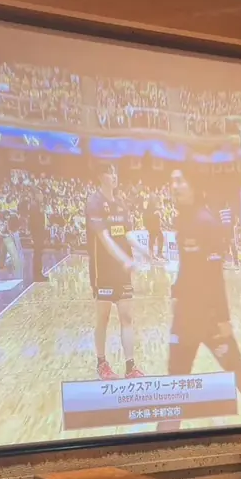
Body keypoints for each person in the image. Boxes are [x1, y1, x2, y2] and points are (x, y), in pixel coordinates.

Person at [159, 167, 241, 429]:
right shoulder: (182, 220)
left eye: (180, 180)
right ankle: (165, 437)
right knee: (175, 376)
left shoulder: (206, 222)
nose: (174, 186)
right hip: (185, 317)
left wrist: (223, 319)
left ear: (193, 184)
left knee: (233, 365)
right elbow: (187, 266)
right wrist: (176, 291)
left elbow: (214, 275)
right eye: (172, 181)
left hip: (210, 317)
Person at [86, 162, 143, 380]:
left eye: (115, 172)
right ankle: (101, 363)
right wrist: (125, 259)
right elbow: (104, 238)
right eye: (110, 173)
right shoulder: (94, 203)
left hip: (122, 272)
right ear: (100, 176)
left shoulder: (121, 203)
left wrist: (143, 250)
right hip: (102, 271)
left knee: (126, 316)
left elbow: (127, 234)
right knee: (103, 317)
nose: (114, 176)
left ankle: (130, 367)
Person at [28, 192, 48, 282]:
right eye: (40, 195)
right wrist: (36, 235)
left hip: (39, 233)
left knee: (39, 254)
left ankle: (39, 273)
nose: (42, 196)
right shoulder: (34, 206)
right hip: (37, 233)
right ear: (36, 196)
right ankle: (37, 275)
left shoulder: (37, 205)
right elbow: (34, 222)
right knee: (37, 254)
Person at [219, 200, 238, 267]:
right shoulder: (230, 211)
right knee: (232, 246)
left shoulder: (220, 212)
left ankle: (223, 260)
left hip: (224, 231)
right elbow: (235, 221)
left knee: (224, 246)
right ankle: (235, 261)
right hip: (229, 231)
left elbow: (220, 222)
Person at [145, 195, 164, 262]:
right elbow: (148, 215)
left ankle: (159, 253)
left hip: (157, 226)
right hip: (152, 226)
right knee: (152, 240)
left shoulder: (156, 207)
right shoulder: (149, 207)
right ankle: (151, 255)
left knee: (161, 237)